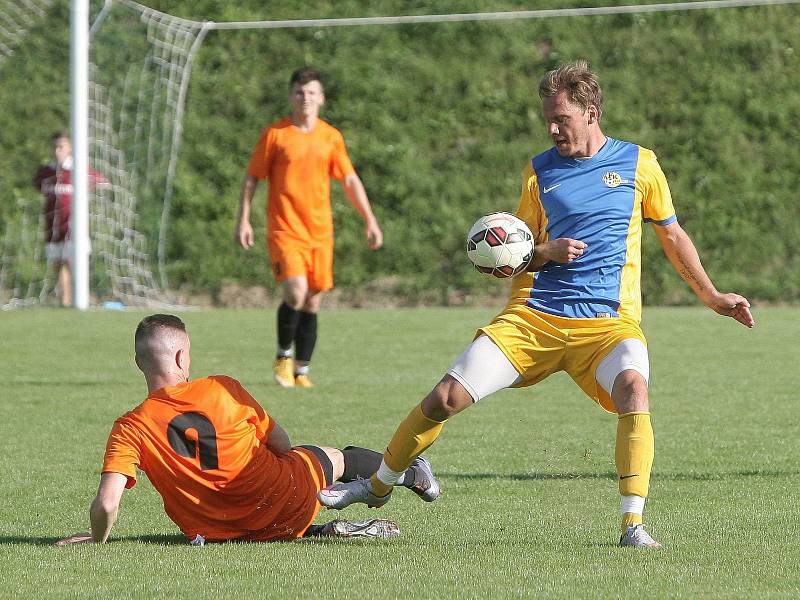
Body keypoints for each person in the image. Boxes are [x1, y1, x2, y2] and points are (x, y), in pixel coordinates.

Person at [317, 60, 755, 549]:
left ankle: (633, 525)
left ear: (591, 113)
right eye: (547, 118)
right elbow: (513, 255)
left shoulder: (639, 164)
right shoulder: (539, 172)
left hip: (606, 327)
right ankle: (376, 488)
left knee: (634, 389)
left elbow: (672, 235)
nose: (551, 128)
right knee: (444, 398)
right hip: (534, 320)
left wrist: (712, 296)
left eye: (560, 119)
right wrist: (546, 252)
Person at [55, 314, 440, 546]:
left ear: (139, 363)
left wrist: (97, 539)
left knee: (266, 499)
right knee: (330, 456)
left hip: (215, 534)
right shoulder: (221, 386)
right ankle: (409, 471)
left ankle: (319, 527)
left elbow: (107, 503)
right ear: (180, 356)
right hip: (290, 500)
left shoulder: (129, 427)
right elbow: (283, 443)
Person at [235, 66, 383, 389]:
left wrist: (369, 219)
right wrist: (243, 219)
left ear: (322, 98)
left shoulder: (330, 137)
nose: (306, 99)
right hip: (285, 229)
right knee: (296, 292)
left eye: (312, 93)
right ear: (291, 96)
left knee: (313, 301)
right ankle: (283, 356)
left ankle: (302, 371)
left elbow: (348, 179)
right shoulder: (276, 134)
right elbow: (252, 177)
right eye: (300, 93)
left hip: (320, 232)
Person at [32, 132, 106, 307]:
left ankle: (80, 298)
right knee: (57, 263)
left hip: (74, 225)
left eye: (61, 147)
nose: (57, 151)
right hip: (52, 226)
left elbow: (102, 182)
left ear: (70, 148)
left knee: (72, 260)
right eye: (54, 147)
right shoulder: (46, 171)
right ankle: (66, 300)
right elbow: (38, 188)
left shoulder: (79, 169)